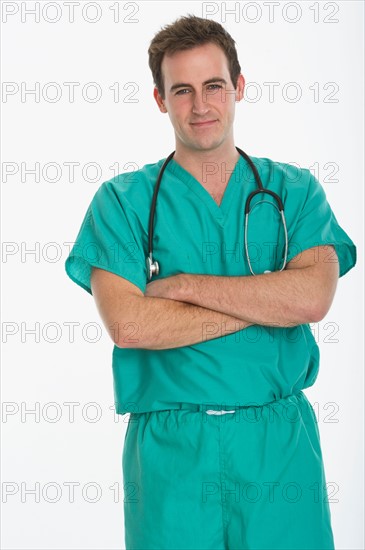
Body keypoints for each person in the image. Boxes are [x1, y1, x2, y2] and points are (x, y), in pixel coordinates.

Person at [65, 14, 357, 550]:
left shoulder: (294, 191)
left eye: (214, 86)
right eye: (182, 90)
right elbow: (129, 325)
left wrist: (181, 287)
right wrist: (268, 297)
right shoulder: (122, 202)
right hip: (171, 454)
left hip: (278, 446)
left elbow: (312, 298)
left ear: (239, 87)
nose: (200, 106)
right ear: (160, 99)